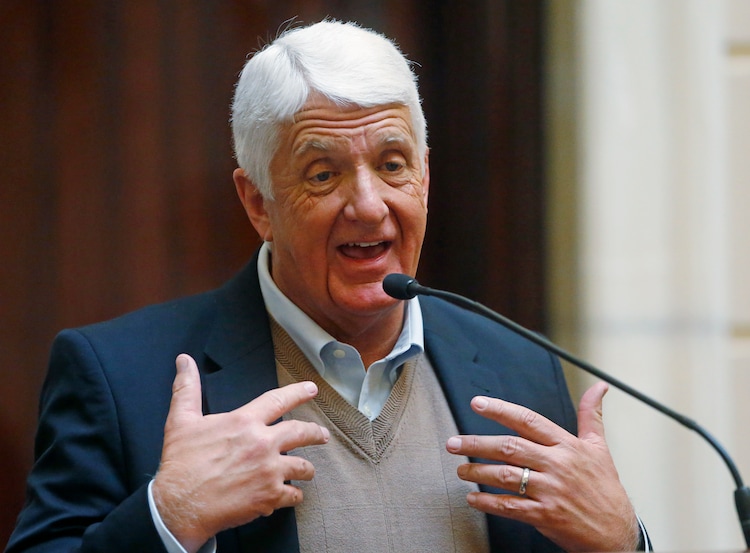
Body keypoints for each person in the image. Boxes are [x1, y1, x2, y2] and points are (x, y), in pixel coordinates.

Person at [5, 19, 650, 553]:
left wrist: (624, 542)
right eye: (323, 174)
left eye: (392, 165)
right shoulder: (120, 376)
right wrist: (167, 517)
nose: (368, 205)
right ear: (258, 203)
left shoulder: (520, 367)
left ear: (424, 177)